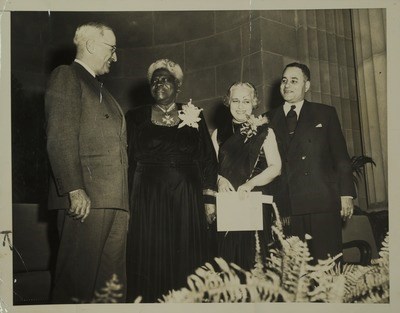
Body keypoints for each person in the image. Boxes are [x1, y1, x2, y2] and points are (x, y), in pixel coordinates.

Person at [45, 22, 129, 303]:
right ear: (92, 45)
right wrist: (73, 188)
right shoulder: (67, 76)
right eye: (112, 49)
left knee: (111, 288)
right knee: (76, 287)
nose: (115, 57)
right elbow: (60, 135)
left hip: (114, 201)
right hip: (87, 201)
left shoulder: (99, 87)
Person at [125, 59, 218, 302]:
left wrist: (209, 199)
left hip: (186, 195)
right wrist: (126, 202)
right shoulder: (135, 117)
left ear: (178, 86)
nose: (158, 83)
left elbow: (208, 158)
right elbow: (126, 160)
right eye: (154, 80)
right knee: (152, 253)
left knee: (186, 251)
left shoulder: (194, 114)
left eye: (165, 79)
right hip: (148, 196)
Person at [267, 62, 356, 262]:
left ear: (307, 86)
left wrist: (346, 193)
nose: (287, 85)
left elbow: (340, 157)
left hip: (322, 203)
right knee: (293, 274)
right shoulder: (267, 119)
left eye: (294, 81)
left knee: (328, 267)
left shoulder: (325, 113)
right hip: (286, 205)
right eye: (284, 81)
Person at [211, 82, 281, 270]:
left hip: (255, 203)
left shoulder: (265, 131)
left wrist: (251, 183)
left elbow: (276, 167)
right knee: (228, 264)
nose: (241, 106)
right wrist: (219, 179)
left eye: (246, 101)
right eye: (235, 101)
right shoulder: (218, 134)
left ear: (254, 103)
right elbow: (210, 168)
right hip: (228, 205)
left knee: (255, 261)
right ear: (228, 102)